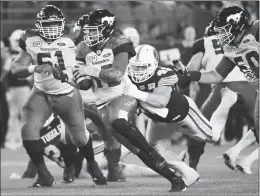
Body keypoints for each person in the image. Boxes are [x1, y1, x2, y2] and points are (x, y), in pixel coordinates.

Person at [65, 9, 187, 192]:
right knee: (136, 149)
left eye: (94, 30)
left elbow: (116, 75)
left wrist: (89, 70)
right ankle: (176, 181)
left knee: (119, 122)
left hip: (123, 95)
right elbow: (84, 84)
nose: (89, 34)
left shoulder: (120, 43)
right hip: (102, 105)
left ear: (107, 29)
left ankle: (154, 153)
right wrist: (67, 78)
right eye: (88, 30)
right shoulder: (83, 47)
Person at [11, 5, 106, 187]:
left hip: (67, 93)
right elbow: (15, 69)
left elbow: (94, 51)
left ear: (62, 23)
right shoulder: (30, 39)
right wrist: (34, 67)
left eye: (55, 23)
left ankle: (92, 164)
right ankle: (43, 174)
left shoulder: (74, 36)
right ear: (39, 25)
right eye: (47, 24)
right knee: (27, 130)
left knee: (78, 138)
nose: (52, 27)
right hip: (41, 93)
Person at [171, 6, 259, 143]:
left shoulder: (256, 30)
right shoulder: (230, 49)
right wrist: (190, 75)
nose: (221, 35)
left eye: (224, 30)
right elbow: (216, 75)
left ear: (237, 25)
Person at [184, 20, 257, 170]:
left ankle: (192, 167)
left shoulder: (204, 43)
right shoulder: (242, 38)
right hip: (249, 88)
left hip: (223, 88)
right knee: (256, 127)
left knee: (198, 128)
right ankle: (238, 156)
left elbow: (190, 71)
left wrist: (185, 77)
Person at [3, 29, 32, 150]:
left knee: (21, 115)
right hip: (15, 88)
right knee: (14, 115)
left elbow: (31, 76)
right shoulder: (11, 55)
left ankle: (20, 139)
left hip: (23, 88)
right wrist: (7, 89)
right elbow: (5, 74)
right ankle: (11, 139)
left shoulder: (26, 54)